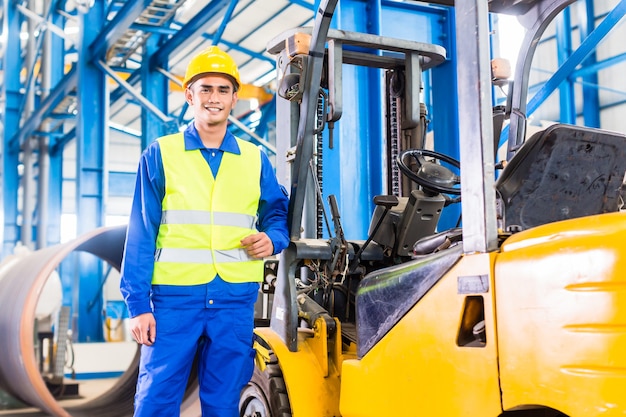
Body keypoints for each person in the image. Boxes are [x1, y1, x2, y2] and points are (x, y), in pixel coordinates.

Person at [119, 45, 290, 417]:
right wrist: (137, 304)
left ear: (234, 98)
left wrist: (272, 239)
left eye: (223, 89)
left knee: (225, 401)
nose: (214, 98)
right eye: (206, 89)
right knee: (155, 399)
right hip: (172, 300)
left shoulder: (254, 159)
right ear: (189, 96)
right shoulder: (161, 154)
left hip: (234, 298)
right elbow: (141, 231)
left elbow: (277, 214)